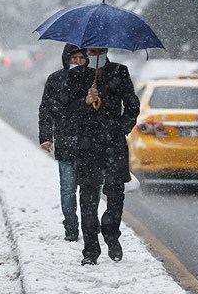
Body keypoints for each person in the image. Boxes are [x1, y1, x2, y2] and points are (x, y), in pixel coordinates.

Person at [59, 47, 140, 265]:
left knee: (115, 195)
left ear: (106, 49)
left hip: (113, 145)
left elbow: (132, 105)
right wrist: (85, 101)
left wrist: (121, 128)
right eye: (92, 49)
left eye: (100, 49)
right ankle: (90, 249)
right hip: (87, 146)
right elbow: (66, 111)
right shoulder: (76, 76)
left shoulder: (120, 72)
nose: (96, 52)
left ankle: (112, 234)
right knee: (88, 198)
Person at [38, 44, 87, 242]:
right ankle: (71, 228)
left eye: (81, 58)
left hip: (89, 144)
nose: (77, 62)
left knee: (88, 190)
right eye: (73, 58)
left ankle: (89, 227)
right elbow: (46, 109)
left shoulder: (93, 79)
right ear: (66, 59)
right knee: (67, 189)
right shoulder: (55, 79)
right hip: (66, 141)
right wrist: (46, 136)